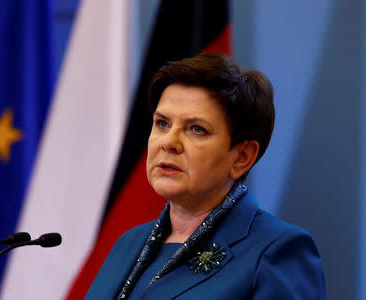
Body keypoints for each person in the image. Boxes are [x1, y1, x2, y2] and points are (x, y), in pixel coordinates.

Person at [86, 53, 325, 299]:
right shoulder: (127, 243)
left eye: (196, 129)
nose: (168, 142)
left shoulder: (277, 252)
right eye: (162, 123)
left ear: (242, 157)